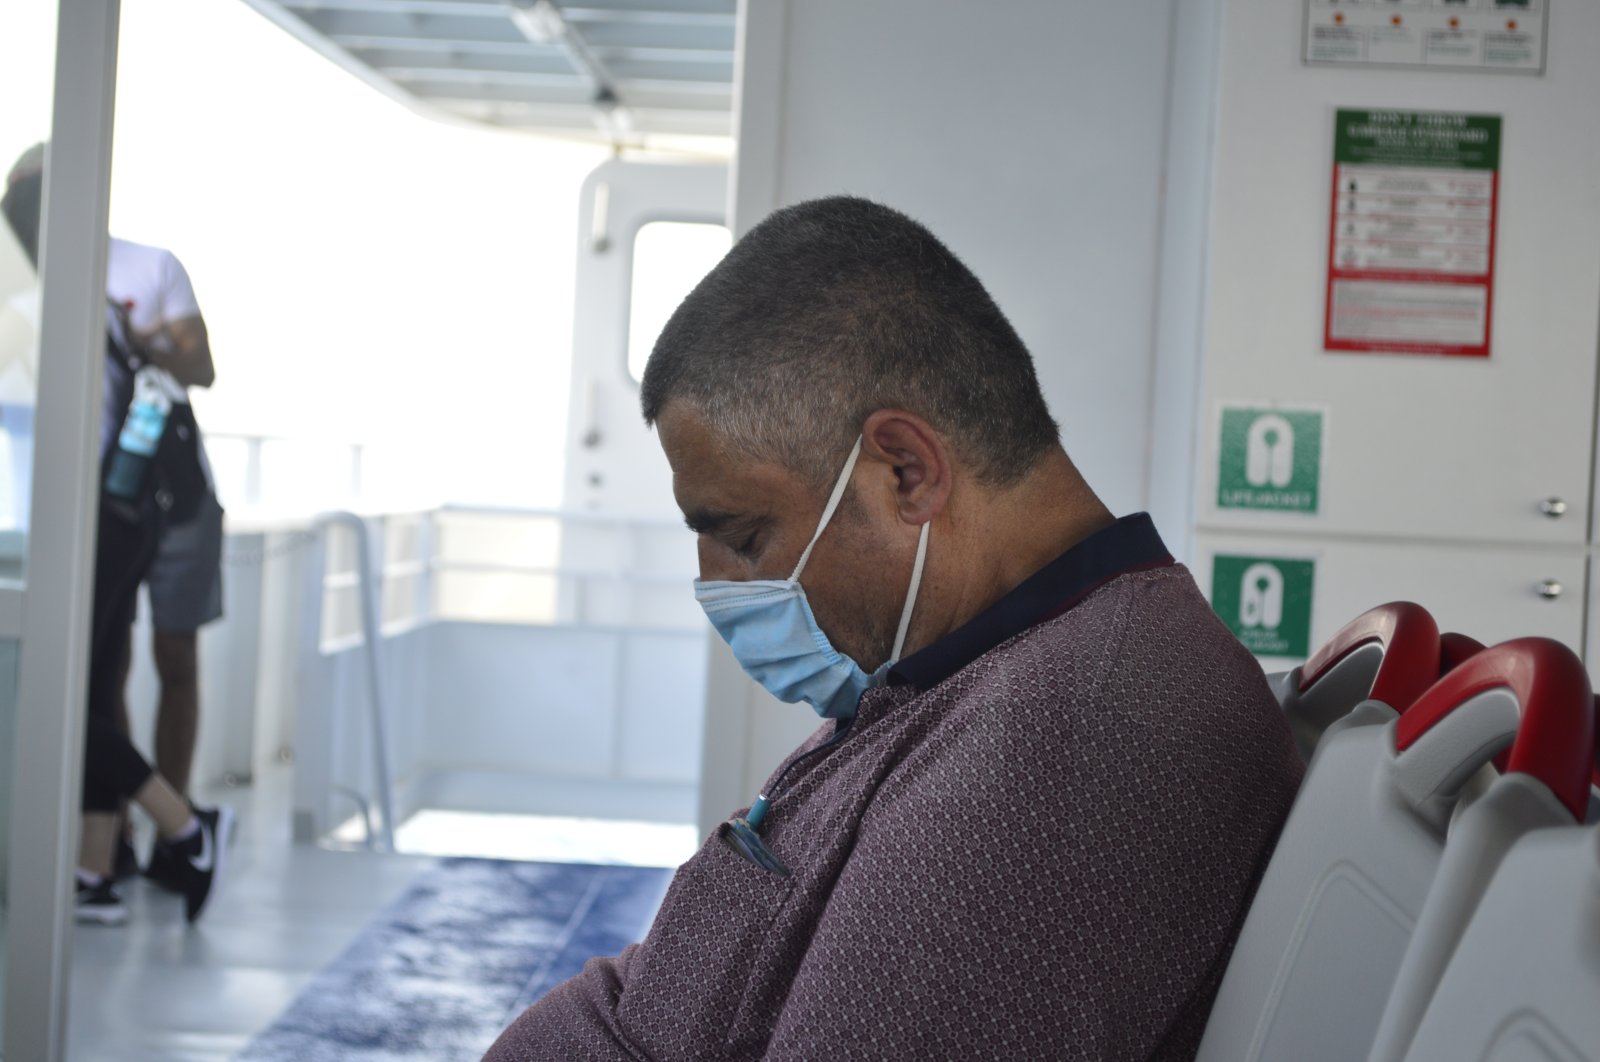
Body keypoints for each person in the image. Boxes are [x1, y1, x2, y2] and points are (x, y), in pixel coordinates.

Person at [485, 197, 1305, 1060]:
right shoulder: (966, 679)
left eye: (742, 534)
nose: (715, 586)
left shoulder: (1066, 741)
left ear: (906, 471)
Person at [1, 159, 233, 926]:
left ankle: (179, 826)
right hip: (75, 514)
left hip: (113, 512)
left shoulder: (106, 279)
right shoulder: (36, 288)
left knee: (77, 685)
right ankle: (99, 867)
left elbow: (200, 366)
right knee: (96, 682)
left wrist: (147, 337)